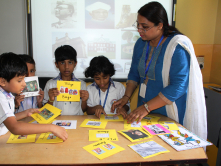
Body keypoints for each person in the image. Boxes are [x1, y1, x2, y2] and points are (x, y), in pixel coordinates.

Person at [111, 2, 207, 140]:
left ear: (160, 25)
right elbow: (134, 74)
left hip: (169, 109)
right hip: (144, 107)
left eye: (145, 27)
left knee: (169, 151)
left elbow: (178, 86)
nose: (139, 30)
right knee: (145, 146)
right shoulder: (141, 43)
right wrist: (126, 98)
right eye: (138, 25)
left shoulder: (176, 46)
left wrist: (147, 108)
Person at [0, 53, 68, 161]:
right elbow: (15, 127)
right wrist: (51, 128)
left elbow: (7, 118)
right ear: (3, 81)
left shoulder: (5, 94)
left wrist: (25, 113)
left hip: (0, 144)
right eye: (20, 80)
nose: (24, 84)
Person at [43, 45, 88, 115]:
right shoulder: (50, 84)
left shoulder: (81, 84)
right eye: (62, 63)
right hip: (55, 121)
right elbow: (45, 111)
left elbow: (84, 109)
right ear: (56, 64)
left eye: (70, 62)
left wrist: (84, 101)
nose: (66, 67)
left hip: (76, 121)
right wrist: (51, 99)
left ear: (75, 64)